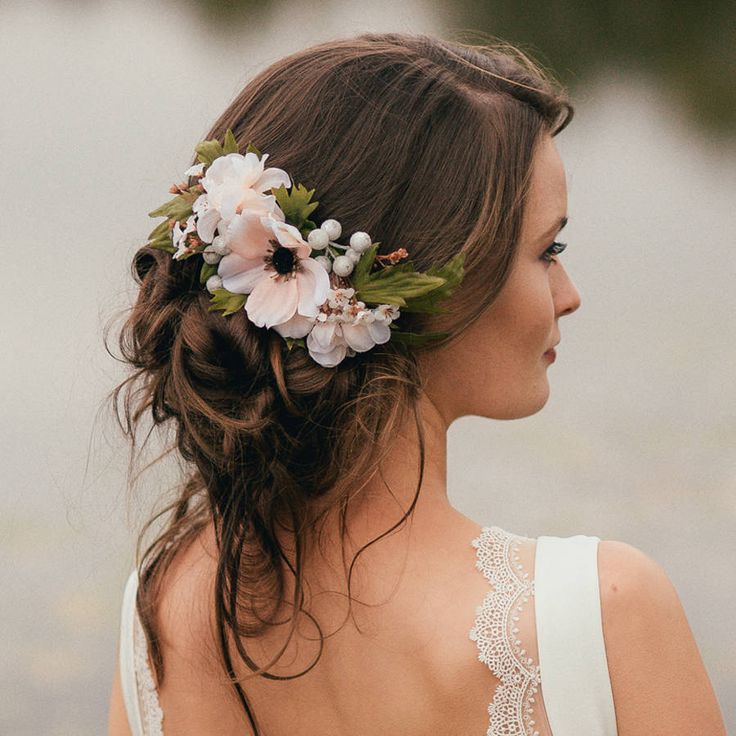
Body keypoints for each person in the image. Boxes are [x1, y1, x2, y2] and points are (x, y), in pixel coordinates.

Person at [106, 32, 726, 736]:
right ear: (429, 279)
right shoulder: (601, 617)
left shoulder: (159, 616)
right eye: (547, 251)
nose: (570, 294)